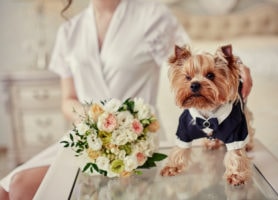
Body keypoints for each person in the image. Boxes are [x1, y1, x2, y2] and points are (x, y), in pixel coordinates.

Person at [0, 0, 253, 199]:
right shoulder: (69, 31)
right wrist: (97, 120)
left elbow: (194, 65)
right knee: (7, 189)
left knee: (23, 188)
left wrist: (236, 70)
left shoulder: (152, 16)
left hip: (139, 140)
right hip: (87, 138)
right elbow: (68, 99)